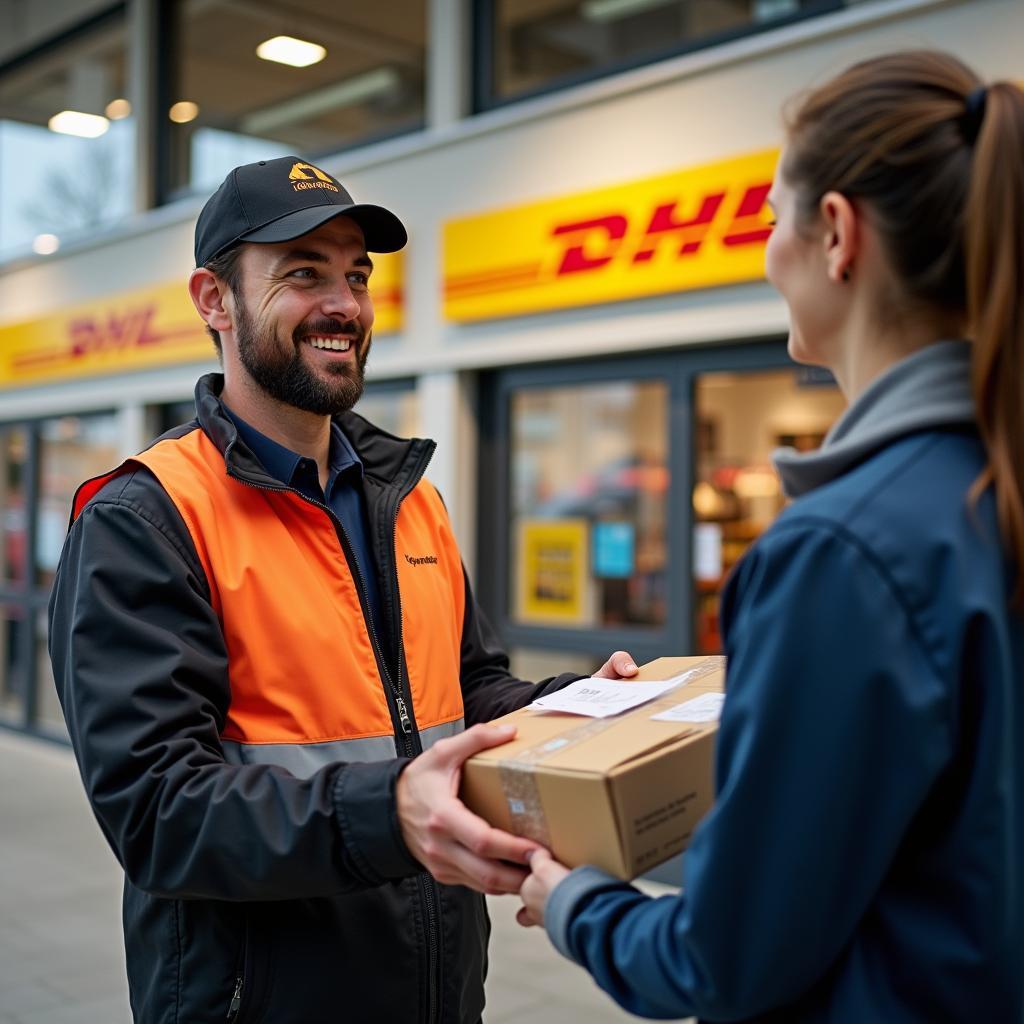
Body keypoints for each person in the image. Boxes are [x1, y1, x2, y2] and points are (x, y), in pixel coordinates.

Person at [48, 155, 637, 1024]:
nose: (345, 305)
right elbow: (159, 812)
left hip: (435, 988)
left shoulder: (411, 500)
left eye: (357, 275)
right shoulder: (146, 517)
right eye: (303, 274)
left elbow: (465, 694)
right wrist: (392, 812)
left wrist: (582, 704)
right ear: (214, 301)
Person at [517, 50, 1024, 1022]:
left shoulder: (844, 553)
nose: (766, 255)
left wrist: (574, 898)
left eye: (768, 220)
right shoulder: (976, 495)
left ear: (835, 234)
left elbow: (723, 959)